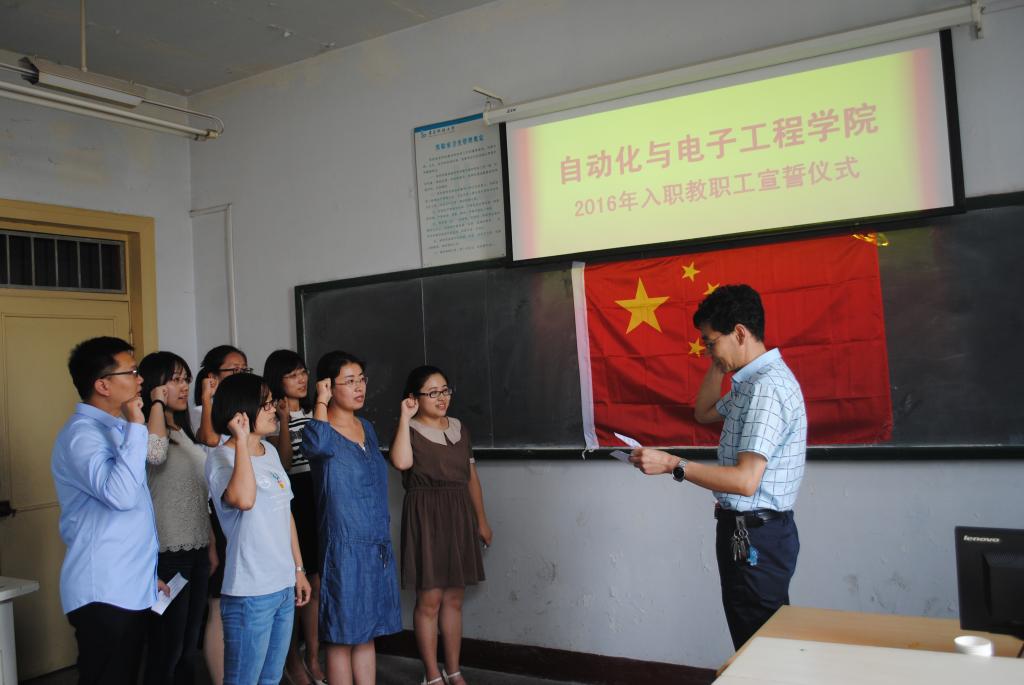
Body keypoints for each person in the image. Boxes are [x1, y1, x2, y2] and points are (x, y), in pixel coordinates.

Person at [629, 284, 806, 649]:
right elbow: (704, 412)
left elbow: (745, 481)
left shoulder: (765, 389)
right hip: (749, 532)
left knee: (760, 647)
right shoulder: (750, 382)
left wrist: (672, 464)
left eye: (711, 343)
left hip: (756, 536)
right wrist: (719, 361)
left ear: (739, 333)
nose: (708, 351)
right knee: (755, 641)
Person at [51, 336, 168, 685]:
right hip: (104, 591)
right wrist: (136, 424)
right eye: (131, 372)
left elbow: (131, 518)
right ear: (102, 385)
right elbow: (121, 496)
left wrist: (146, 576)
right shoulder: (82, 436)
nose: (140, 379)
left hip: (128, 586)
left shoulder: (116, 428)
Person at [205, 372, 312, 685]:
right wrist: (241, 442)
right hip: (250, 592)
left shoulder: (271, 451)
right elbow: (244, 499)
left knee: (271, 679)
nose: (273, 409)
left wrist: (298, 569)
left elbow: (285, 514)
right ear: (241, 411)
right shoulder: (221, 458)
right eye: (265, 404)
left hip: (282, 585)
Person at [302, 351, 401, 685]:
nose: (359, 387)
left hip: (374, 542)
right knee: (342, 635)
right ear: (328, 386)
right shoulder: (320, 429)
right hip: (343, 545)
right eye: (349, 381)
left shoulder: (366, 427)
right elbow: (315, 446)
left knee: (366, 631)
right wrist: (320, 401)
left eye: (361, 379)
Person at [389, 366, 492, 685]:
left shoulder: (460, 428)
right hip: (426, 516)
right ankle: (432, 673)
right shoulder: (408, 429)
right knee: (430, 600)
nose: (441, 397)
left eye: (445, 390)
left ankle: (454, 669)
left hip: (459, 514)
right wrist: (404, 418)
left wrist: (481, 520)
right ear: (414, 397)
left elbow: (471, 478)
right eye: (432, 392)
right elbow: (401, 463)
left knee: (454, 599)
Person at [140, 351, 216, 685]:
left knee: (187, 646)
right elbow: (154, 455)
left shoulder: (183, 431)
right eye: (175, 380)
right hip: (168, 555)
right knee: (166, 648)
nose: (184, 387)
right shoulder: (146, 432)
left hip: (197, 551)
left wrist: (210, 544)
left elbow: (201, 495)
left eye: (186, 379)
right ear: (155, 386)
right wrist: (156, 404)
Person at [264, 349, 326, 685]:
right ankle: (291, 660)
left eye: (303, 372)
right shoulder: (270, 415)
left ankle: (313, 657)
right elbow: (284, 463)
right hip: (292, 500)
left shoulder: (318, 411)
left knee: (315, 582)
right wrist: (285, 420)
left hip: (317, 498)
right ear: (278, 380)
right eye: (292, 375)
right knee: (293, 585)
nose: (301, 379)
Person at [192, 344, 249, 685]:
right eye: (233, 369)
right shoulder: (203, 410)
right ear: (213, 376)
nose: (241, 374)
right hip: (215, 512)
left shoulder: (239, 408)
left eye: (245, 369)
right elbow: (211, 439)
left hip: (241, 508)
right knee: (218, 601)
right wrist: (208, 396)